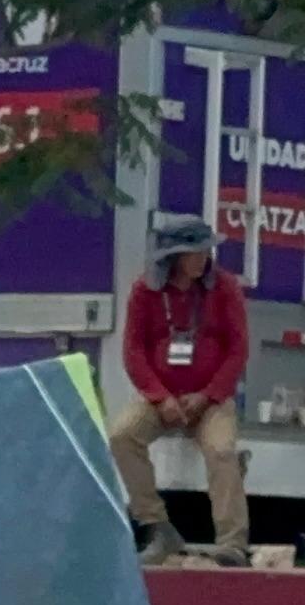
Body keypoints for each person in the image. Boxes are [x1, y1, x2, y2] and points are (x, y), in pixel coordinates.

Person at [108, 215, 253, 565]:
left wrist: (208, 395)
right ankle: (156, 526)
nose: (203, 259)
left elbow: (238, 350)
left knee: (222, 450)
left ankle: (233, 543)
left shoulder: (225, 287)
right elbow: (133, 352)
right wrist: (160, 398)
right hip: (161, 398)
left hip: (210, 399)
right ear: (172, 256)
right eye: (194, 252)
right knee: (122, 436)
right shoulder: (145, 290)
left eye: (206, 251)